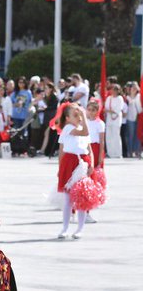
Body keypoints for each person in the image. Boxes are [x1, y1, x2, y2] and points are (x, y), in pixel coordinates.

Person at [56, 103, 92, 240]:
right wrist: (60, 168)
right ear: (68, 118)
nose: (79, 117)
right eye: (75, 115)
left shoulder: (82, 128)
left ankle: (80, 228)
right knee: (67, 199)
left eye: (80, 115)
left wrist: (91, 164)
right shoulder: (68, 128)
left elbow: (88, 146)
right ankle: (65, 227)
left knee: (81, 197)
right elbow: (61, 151)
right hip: (69, 162)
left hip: (81, 163)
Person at [85, 99, 106, 169]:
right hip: (86, 147)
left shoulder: (100, 123)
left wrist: (100, 155)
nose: (91, 112)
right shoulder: (85, 122)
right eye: (89, 110)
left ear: (97, 111)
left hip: (96, 148)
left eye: (93, 110)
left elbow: (102, 140)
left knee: (96, 169)